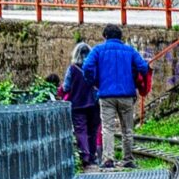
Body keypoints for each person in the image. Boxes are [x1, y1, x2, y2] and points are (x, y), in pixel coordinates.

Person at [84, 24, 152, 167]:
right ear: (120, 37)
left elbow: (87, 66)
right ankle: (128, 159)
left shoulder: (98, 50)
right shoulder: (129, 50)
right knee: (127, 129)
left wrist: (93, 81)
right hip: (127, 95)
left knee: (107, 128)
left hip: (106, 95)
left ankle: (108, 159)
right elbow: (144, 67)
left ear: (105, 36)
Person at [56, 40, 101, 169]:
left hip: (77, 103)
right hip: (94, 103)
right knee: (93, 130)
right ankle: (92, 156)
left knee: (81, 130)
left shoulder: (72, 69)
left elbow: (66, 86)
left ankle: (85, 156)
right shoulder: (94, 69)